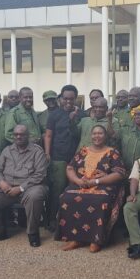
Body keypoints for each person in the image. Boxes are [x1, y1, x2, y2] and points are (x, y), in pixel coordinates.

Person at [57, 125, 126, 252]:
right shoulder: (83, 151)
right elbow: (70, 168)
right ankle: (75, 238)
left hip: (103, 185)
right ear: (91, 136)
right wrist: (77, 181)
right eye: (94, 133)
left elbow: (119, 173)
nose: (97, 136)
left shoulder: (112, 152)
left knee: (98, 200)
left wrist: (96, 181)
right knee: (67, 197)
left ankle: (96, 240)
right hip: (81, 184)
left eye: (100, 133)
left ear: (105, 136)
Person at [0, 125, 49, 247]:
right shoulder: (7, 150)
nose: (18, 136)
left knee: (36, 195)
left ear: (28, 136)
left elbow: (40, 174)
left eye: (22, 134)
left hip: (29, 188)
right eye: (16, 134)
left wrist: (21, 188)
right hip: (7, 189)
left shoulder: (37, 151)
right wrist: (1, 182)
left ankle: (32, 233)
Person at [44, 85, 83, 231]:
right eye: (65, 98)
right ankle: (52, 219)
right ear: (61, 98)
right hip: (58, 157)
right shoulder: (54, 114)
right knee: (57, 190)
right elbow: (48, 135)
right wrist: (47, 153)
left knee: (74, 189)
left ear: (75, 99)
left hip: (76, 159)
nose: (68, 101)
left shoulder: (81, 114)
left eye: (71, 99)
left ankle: (71, 220)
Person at [116, 105, 140, 171]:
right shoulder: (125, 130)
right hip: (124, 170)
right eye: (135, 114)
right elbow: (113, 136)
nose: (136, 116)